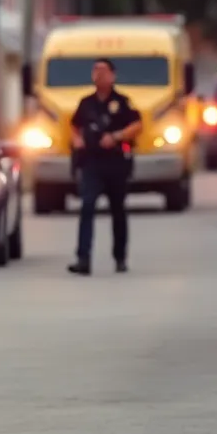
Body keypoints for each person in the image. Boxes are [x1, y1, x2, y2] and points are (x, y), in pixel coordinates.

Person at [68, 58, 143, 276]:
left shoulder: (122, 102)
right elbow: (74, 125)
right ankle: (83, 258)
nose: (98, 75)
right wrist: (77, 140)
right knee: (87, 206)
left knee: (118, 210)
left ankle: (120, 257)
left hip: (116, 162)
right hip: (92, 162)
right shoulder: (86, 103)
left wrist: (117, 136)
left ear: (112, 75)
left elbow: (138, 125)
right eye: (95, 71)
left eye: (103, 71)